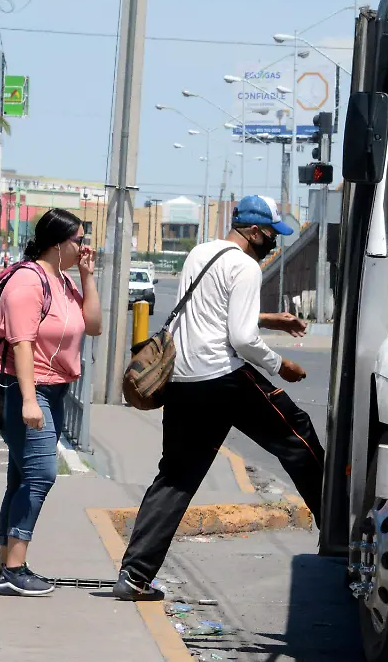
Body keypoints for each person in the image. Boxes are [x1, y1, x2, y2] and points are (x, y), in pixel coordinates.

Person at [113, 195, 325, 601]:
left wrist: (268, 317)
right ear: (256, 232)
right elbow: (242, 338)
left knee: (175, 476)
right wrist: (282, 365)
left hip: (182, 380)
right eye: (271, 237)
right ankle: (338, 536)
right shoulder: (245, 265)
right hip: (222, 380)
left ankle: (135, 575)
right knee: (297, 436)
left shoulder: (200, 252)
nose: (274, 246)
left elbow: (205, 310)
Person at [0, 208, 101, 596]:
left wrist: (87, 277)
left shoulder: (63, 281)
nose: (84, 247)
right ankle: (14, 568)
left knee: (22, 476)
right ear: (57, 244)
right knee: (41, 475)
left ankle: (7, 568)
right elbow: (22, 342)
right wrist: (29, 400)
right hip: (23, 387)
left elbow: (95, 324)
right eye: (78, 241)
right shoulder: (27, 281)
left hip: (53, 388)